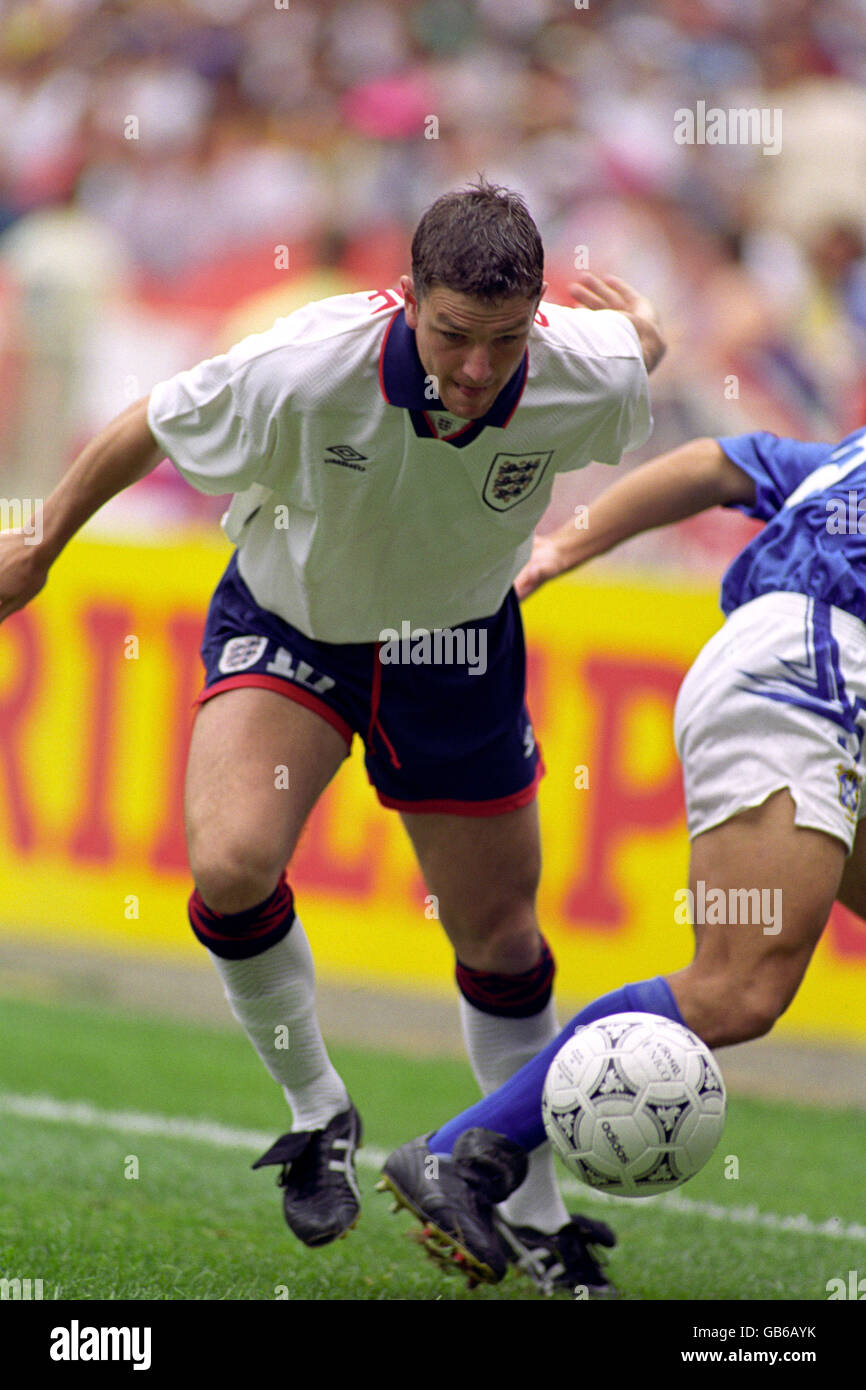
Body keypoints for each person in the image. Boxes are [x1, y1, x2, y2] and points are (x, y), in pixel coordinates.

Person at [0, 180, 664, 1277]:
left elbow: (635, 346)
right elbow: (149, 424)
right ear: (407, 299)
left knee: (499, 942)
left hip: (453, 653)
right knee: (229, 863)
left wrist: (642, 328)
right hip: (292, 622)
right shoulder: (303, 362)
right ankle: (319, 1113)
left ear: (537, 314)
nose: (473, 369)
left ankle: (536, 1216)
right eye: (451, 334)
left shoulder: (584, 369)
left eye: (503, 342)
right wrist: (40, 546)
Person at [380, 423, 866, 1294]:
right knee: (737, 986)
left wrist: (565, 545)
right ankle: (461, 1158)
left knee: (738, 981)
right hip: (812, 676)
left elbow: (720, 461)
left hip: (796, 670)